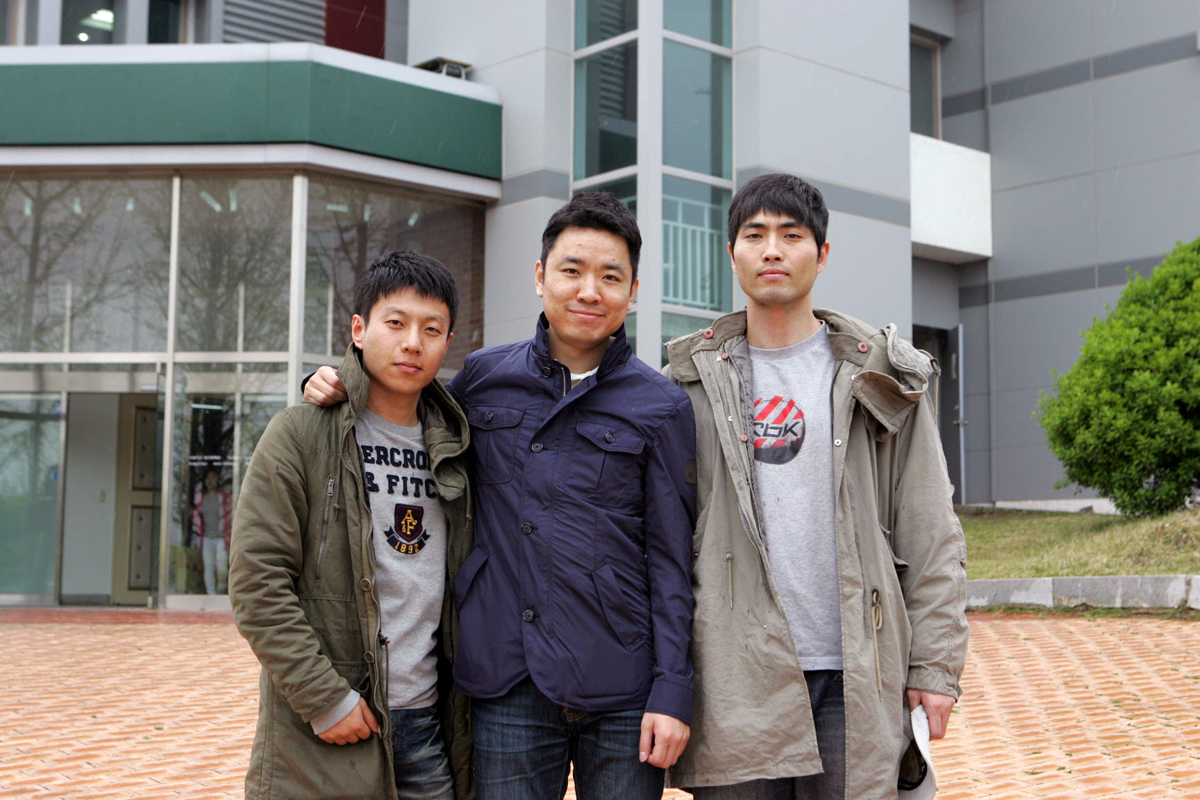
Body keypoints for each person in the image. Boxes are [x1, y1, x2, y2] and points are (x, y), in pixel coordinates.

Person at [303, 191, 698, 799]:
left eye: (610, 276)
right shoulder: (484, 378)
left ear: (633, 291)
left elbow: (673, 560)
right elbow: (401, 404)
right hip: (507, 677)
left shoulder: (661, 405)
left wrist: (672, 690)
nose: (588, 291)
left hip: (622, 684)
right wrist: (333, 379)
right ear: (540, 277)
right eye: (571, 270)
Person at [663, 173, 969, 799]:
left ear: (822, 254)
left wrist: (934, 666)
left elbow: (930, 529)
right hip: (736, 673)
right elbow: (663, 544)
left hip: (855, 669)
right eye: (755, 235)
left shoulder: (880, 376)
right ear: (732, 254)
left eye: (791, 235)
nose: (772, 250)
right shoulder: (687, 384)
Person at [229, 251, 474, 800]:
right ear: (359, 330)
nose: (413, 343)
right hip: (331, 724)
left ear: (448, 342)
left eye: (431, 329)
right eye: (396, 323)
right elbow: (256, 582)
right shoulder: (299, 435)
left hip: (429, 723)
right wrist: (324, 699)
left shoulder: (460, 447)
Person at [191, 467, 232, 594]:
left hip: (221, 538)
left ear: (218, 480)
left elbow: (231, 515)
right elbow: (197, 517)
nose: (210, 481)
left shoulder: (224, 497)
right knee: (208, 566)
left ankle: (221, 591)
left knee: (222, 566)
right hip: (207, 537)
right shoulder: (201, 498)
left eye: (213, 478)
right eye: (208, 478)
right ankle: (211, 593)